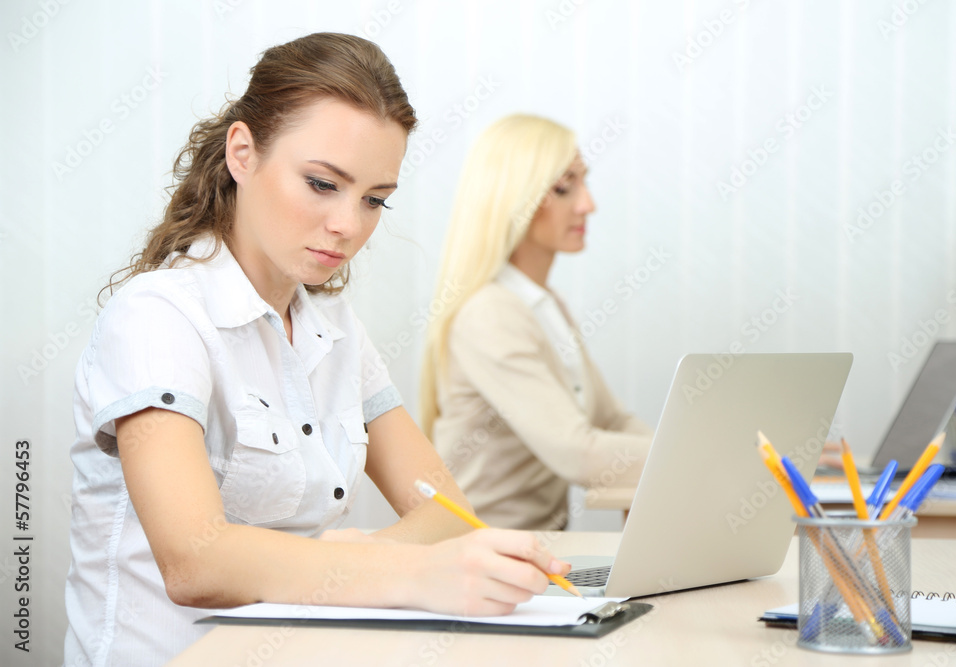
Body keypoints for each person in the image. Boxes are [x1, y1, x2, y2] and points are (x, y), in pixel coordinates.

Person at [64, 34, 569, 667]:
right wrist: (398, 570)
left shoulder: (334, 328)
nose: (349, 226)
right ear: (242, 153)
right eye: (323, 184)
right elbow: (195, 560)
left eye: (375, 199)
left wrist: (361, 563)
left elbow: (448, 513)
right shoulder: (158, 317)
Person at [419, 114, 653, 531]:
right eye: (564, 187)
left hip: (538, 554)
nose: (588, 204)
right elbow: (578, 453)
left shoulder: (544, 306)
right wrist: (718, 459)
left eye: (584, 182)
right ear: (516, 199)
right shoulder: (489, 314)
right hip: (483, 558)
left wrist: (707, 452)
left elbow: (611, 420)